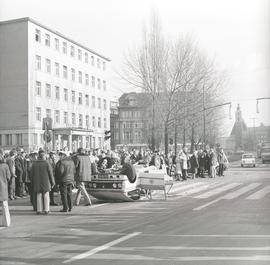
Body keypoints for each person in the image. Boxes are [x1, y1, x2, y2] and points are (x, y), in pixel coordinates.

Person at [31, 149, 55, 214]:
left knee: (38, 195)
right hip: (46, 182)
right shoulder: (47, 163)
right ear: (44, 156)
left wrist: (32, 182)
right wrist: (53, 182)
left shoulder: (34, 163)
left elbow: (32, 174)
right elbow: (50, 173)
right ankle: (46, 210)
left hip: (37, 182)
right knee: (46, 195)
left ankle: (39, 209)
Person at [0, 154, 11, 227]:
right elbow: (8, 177)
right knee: (5, 206)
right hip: (3, 188)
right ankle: (6, 222)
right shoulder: (5, 166)